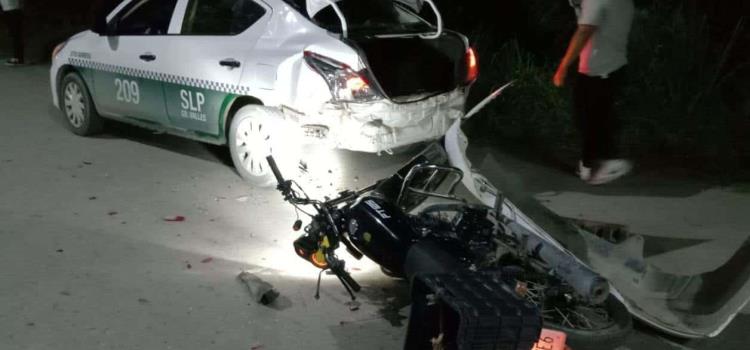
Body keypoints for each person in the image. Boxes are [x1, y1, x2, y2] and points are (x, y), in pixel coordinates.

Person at [553, 0, 634, 185]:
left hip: (600, 69)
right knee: (591, 115)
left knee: (589, 117)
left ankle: (605, 161)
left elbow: (584, 30)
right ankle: (591, 162)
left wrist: (563, 67)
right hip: (606, 65)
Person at [0, 0, 24, 65]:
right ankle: (18, 57)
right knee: (14, 34)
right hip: (8, 9)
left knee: (16, 34)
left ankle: (18, 58)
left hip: (13, 9)